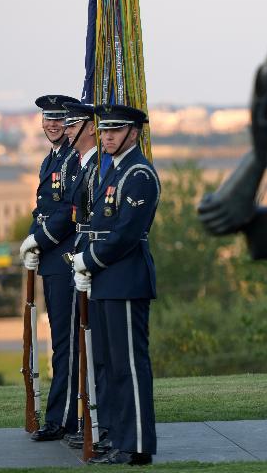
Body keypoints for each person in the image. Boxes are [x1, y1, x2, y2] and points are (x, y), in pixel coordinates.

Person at [71, 103, 160, 466]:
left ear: (134, 133)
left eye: (115, 130)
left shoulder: (138, 174)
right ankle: (114, 434)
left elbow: (125, 233)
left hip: (125, 280)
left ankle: (137, 444)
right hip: (106, 279)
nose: (106, 136)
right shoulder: (113, 171)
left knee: (129, 366)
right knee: (108, 364)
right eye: (103, 130)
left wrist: (88, 260)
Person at [19, 94, 82, 441]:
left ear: (70, 123)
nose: (52, 125)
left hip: (66, 261)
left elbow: (69, 214)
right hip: (51, 263)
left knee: (66, 344)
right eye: (47, 119)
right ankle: (61, 417)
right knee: (61, 343)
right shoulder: (50, 161)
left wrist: (38, 240)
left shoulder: (74, 160)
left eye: (59, 119)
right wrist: (32, 239)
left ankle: (65, 420)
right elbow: (41, 210)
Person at [60, 101, 111, 453]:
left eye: (74, 122)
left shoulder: (98, 165)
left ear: (91, 127)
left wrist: (88, 258)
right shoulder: (80, 163)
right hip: (80, 251)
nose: (66, 128)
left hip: (93, 255)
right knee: (82, 344)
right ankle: (88, 420)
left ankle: (97, 423)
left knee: (96, 349)